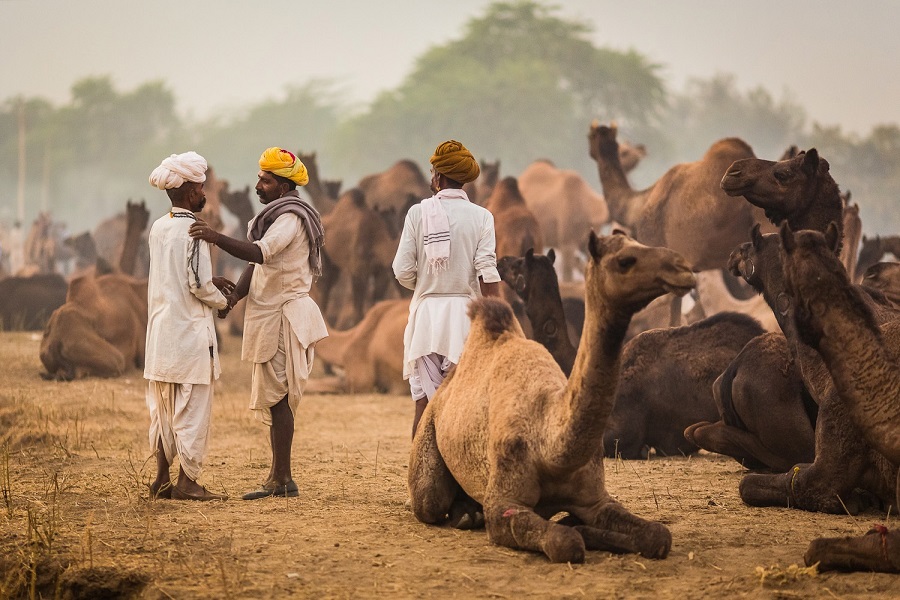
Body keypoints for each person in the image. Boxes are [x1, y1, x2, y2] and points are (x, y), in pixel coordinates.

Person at [189, 147, 328, 500]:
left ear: (284, 186)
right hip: (270, 314)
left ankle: (282, 478)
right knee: (275, 398)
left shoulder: (290, 219)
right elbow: (258, 265)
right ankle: (279, 476)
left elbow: (259, 253)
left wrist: (215, 237)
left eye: (265, 181)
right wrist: (235, 297)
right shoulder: (276, 216)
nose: (258, 186)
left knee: (279, 398)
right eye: (259, 178)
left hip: (284, 315)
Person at [392, 140, 501, 440]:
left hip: (426, 320)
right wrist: (499, 321)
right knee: (465, 405)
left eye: (433, 172)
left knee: (424, 404)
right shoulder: (483, 217)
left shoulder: (417, 213)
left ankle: (421, 469)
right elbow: (487, 271)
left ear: (439, 177)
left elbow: (401, 270)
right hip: (467, 318)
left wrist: (426, 286)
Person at [145, 151, 234, 501]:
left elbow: (177, 277)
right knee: (193, 411)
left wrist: (212, 281)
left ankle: (161, 479)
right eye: (201, 188)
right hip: (190, 336)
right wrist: (224, 302)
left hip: (161, 335)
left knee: (163, 410)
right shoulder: (196, 230)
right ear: (189, 191)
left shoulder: (159, 227)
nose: (204, 193)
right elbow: (197, 285)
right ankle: (187, 482)